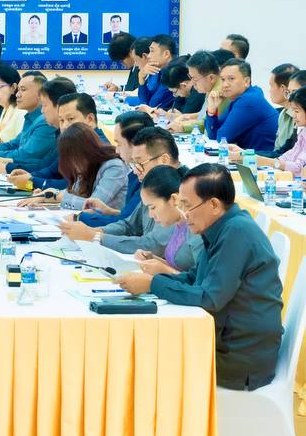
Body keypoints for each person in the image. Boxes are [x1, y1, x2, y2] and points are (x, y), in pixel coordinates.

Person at [116, 164, 283, 391]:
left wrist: (153, 284)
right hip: (226, 342)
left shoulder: (236, 232)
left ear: (213, 204)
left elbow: (209, 298)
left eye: (187, 205)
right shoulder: (222, 226)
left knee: (147, 354)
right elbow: (195, 278)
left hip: (239, 357)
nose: (183, 214)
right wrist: (152, 280)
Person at [60, 125, 183, 246]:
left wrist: (95, 237)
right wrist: (94, 231)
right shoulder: (154, 183)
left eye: (140, 163)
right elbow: (129, 226)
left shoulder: (181, 190)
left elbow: (154, 244)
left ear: (164, 160)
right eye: (134, 164)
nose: (136, 171)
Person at [0, 71, 57, 175]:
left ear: (41, 94)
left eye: (23, 90)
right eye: (18, 90)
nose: (17, 94)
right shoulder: (30, 117)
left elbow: (25, 155)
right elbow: (13, 144)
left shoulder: (45, 122)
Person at [19, 123, 126, 212]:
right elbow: (74, 194)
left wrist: (56, 196)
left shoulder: (113, 166)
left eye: (73, 157)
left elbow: (94, 206)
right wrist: (46, 197)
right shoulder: (87, 166)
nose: (72, 163)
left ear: (88, 150)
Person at [206, 59, 279, 150]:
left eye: (231, 79)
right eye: (223, 79)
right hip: (248, 155)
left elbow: (222, 139)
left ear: (246, 81)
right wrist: (212, 110)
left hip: (263, 157)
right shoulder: (237, 99)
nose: (225, 85)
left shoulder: (249, 100)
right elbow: (213, 135)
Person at [126, 34, 176, 110]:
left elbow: (152, 104)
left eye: (152, 51)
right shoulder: (160, 71)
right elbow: (145, 103)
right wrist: (141, 78)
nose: (149, 56)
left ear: (166, 54)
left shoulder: (174, 73)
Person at [265, 63, 301, 153]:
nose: (269, 90)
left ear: (283, 89)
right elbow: (277, 151)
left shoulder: (301, 117)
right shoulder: (282, 113)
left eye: (271, 86)